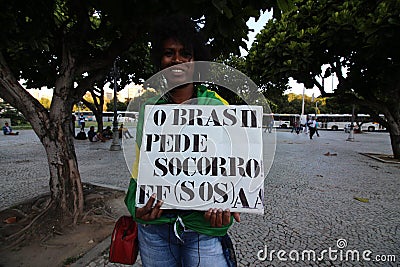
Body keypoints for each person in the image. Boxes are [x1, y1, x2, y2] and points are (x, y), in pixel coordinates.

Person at [124, 16, 240, 267]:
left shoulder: (218, 106)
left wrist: (232, 202)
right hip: (155, 227)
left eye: (185, 53)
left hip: (204, 227)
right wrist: (138, 206)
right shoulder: (148, 110)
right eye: (169, 53)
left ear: (196, 62)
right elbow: (140, 170)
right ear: (159, 60)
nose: (177, 60)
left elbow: (234, 166)